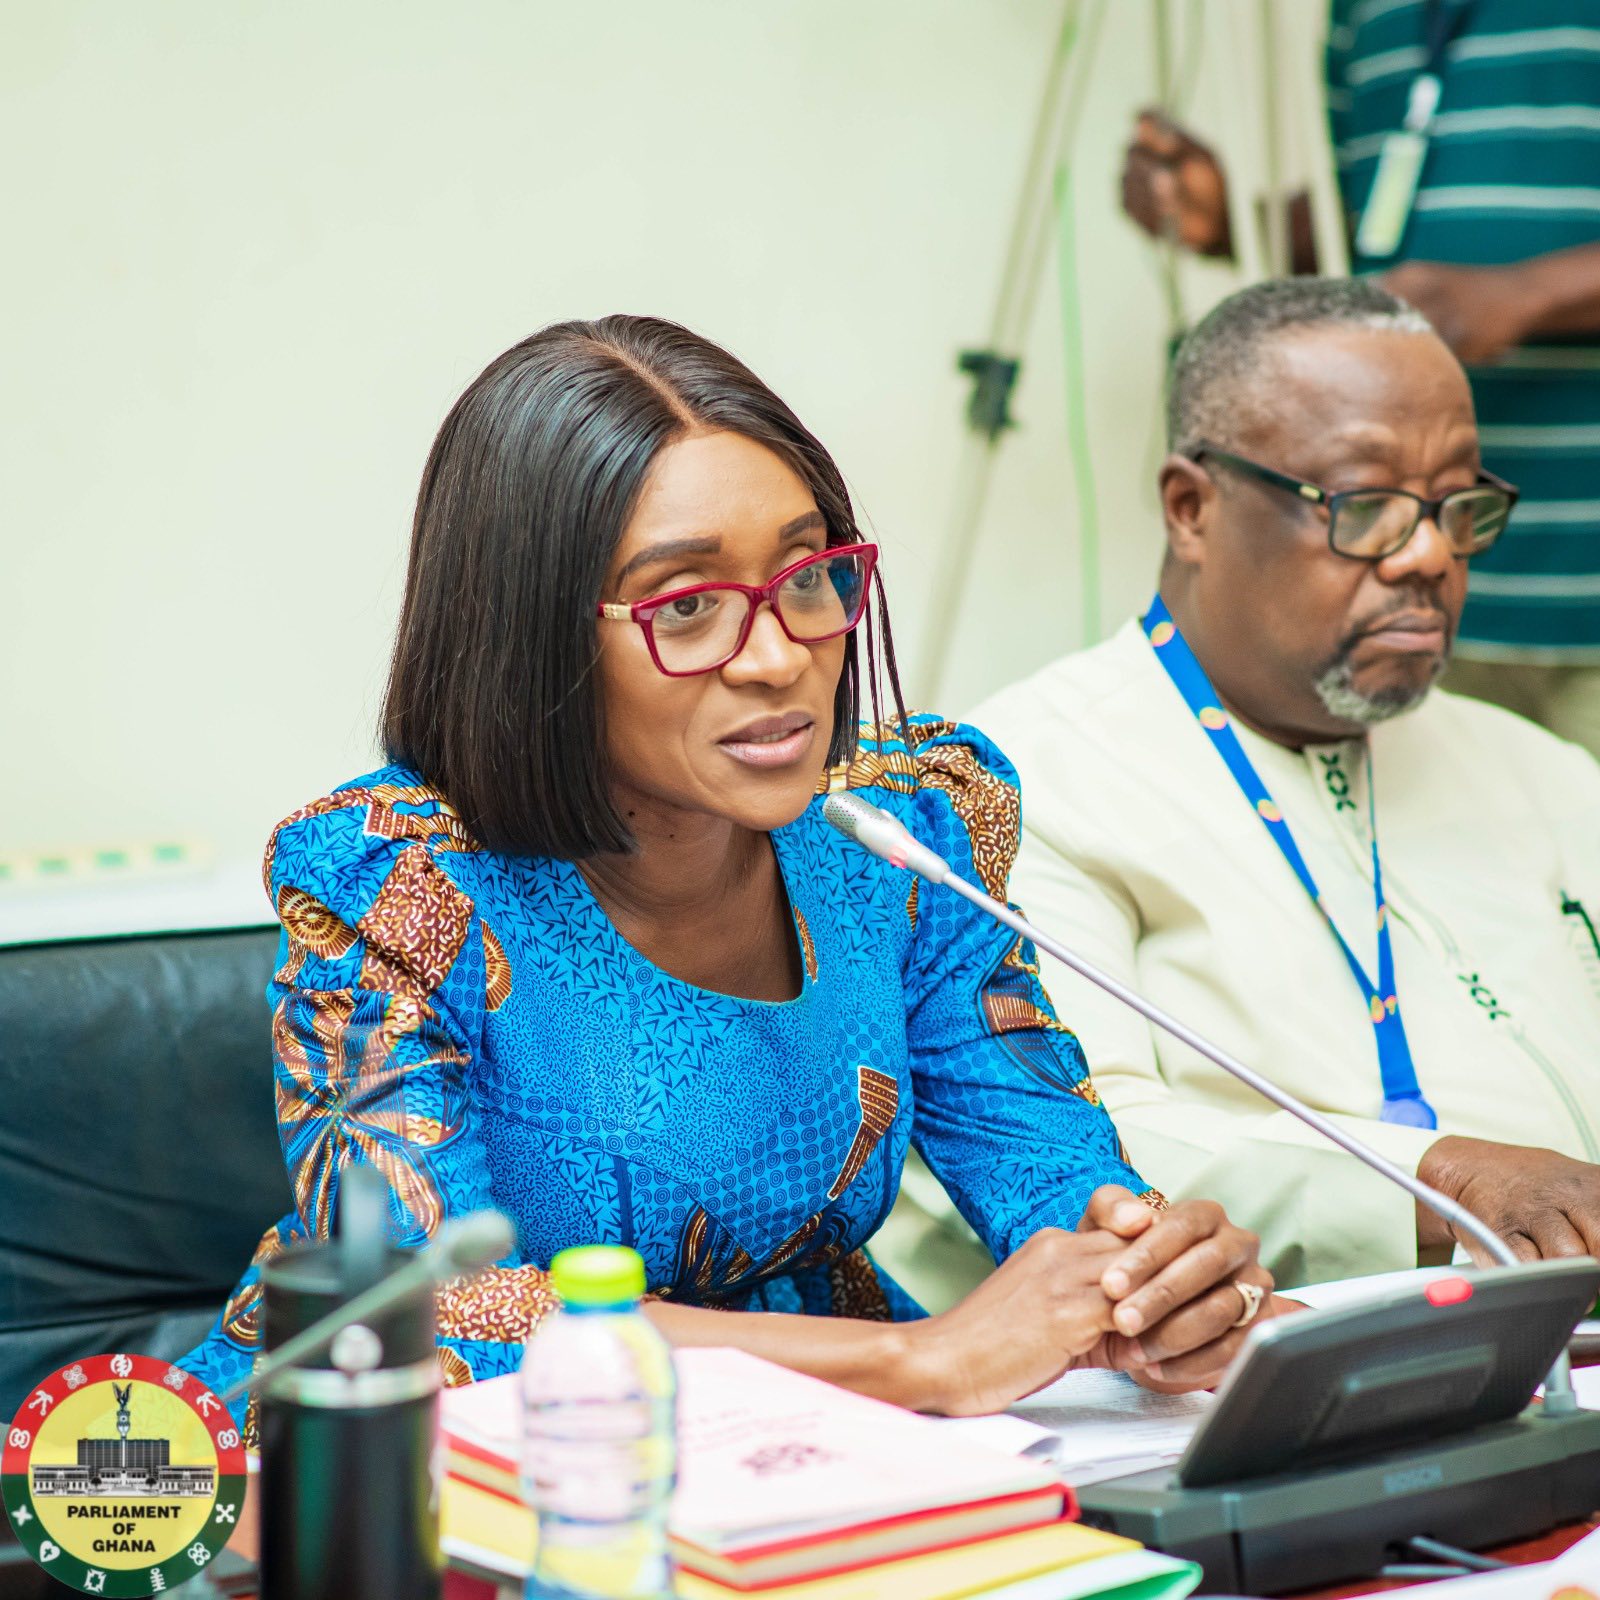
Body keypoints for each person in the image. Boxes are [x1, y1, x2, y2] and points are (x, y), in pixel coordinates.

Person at [181, 316, 1281, 1435]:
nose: (778, 656)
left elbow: (1044, 1170)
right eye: (686, 606)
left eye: (808, 577)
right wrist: (917, 1360)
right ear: (531, 639)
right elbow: (436, 1311)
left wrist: (1149, 1283)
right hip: (399, 1457)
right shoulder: (397, 890)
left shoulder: (900, 836)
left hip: (810, 1434)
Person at [974, 277, 1600, 1289]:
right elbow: (1077, 1146)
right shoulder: (1021, 783)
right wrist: (1445, 1178)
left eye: (1457, 507)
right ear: (1191, 507)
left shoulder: (1536, 768)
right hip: (1284, 1351)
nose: (1429, 554)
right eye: (1366, 507)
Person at [1122, 0, 1600, 757]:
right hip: (1404, 591)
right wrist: (1236, 220)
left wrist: (1526, 294)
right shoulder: (1364, 12)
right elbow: (1369, 219)